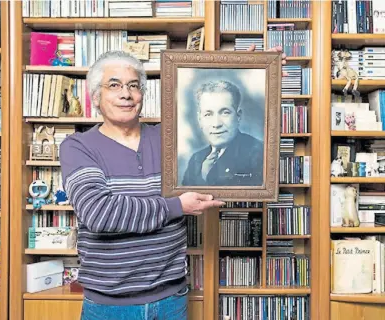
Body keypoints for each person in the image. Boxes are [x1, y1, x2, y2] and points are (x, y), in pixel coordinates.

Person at [59, 45, 286, 320]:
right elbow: (99, 213)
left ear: (142, 94)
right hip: (109, 305)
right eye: (114, 85)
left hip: (170, 299)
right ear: (96, 96)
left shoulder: (169, 138)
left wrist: (246, 69)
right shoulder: (78, 146)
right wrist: (175, 206)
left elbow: (221, 168)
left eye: (134, 85)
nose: (126, 94)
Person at [181, 79, 264, 187]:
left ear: (238, 116)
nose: (216, 124)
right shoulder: (196, 160)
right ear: (200, 119)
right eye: (208, 114)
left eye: (225, 113)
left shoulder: (259, 153)